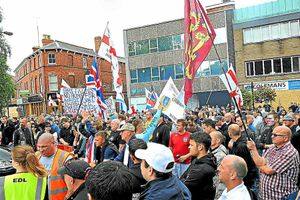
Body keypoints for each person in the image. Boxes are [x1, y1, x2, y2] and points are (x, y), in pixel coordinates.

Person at [247, 126, 300, 200]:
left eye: (275, 135)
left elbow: (268, 171)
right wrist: (253, 149)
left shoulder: (290, 152)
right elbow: (261, 162)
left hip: (280, 197)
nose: (272, 136)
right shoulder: (273, 147)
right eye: (272, 134)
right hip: (265, 195)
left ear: (285, 138)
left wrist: (261, 166)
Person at [180, 131, 217, 200]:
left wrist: (185, 178)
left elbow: (182, 187)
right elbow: (183, 177)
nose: (189, 147)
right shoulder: (197, 160)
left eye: (191, 145)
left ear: (200, 147)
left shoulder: (202, 170)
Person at [36, 133, 72, 200]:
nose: (41, 150)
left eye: (44, 146)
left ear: (54, 143)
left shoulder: (65, 158)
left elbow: (71, 188)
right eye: (39, 146)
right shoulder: (36, 156)